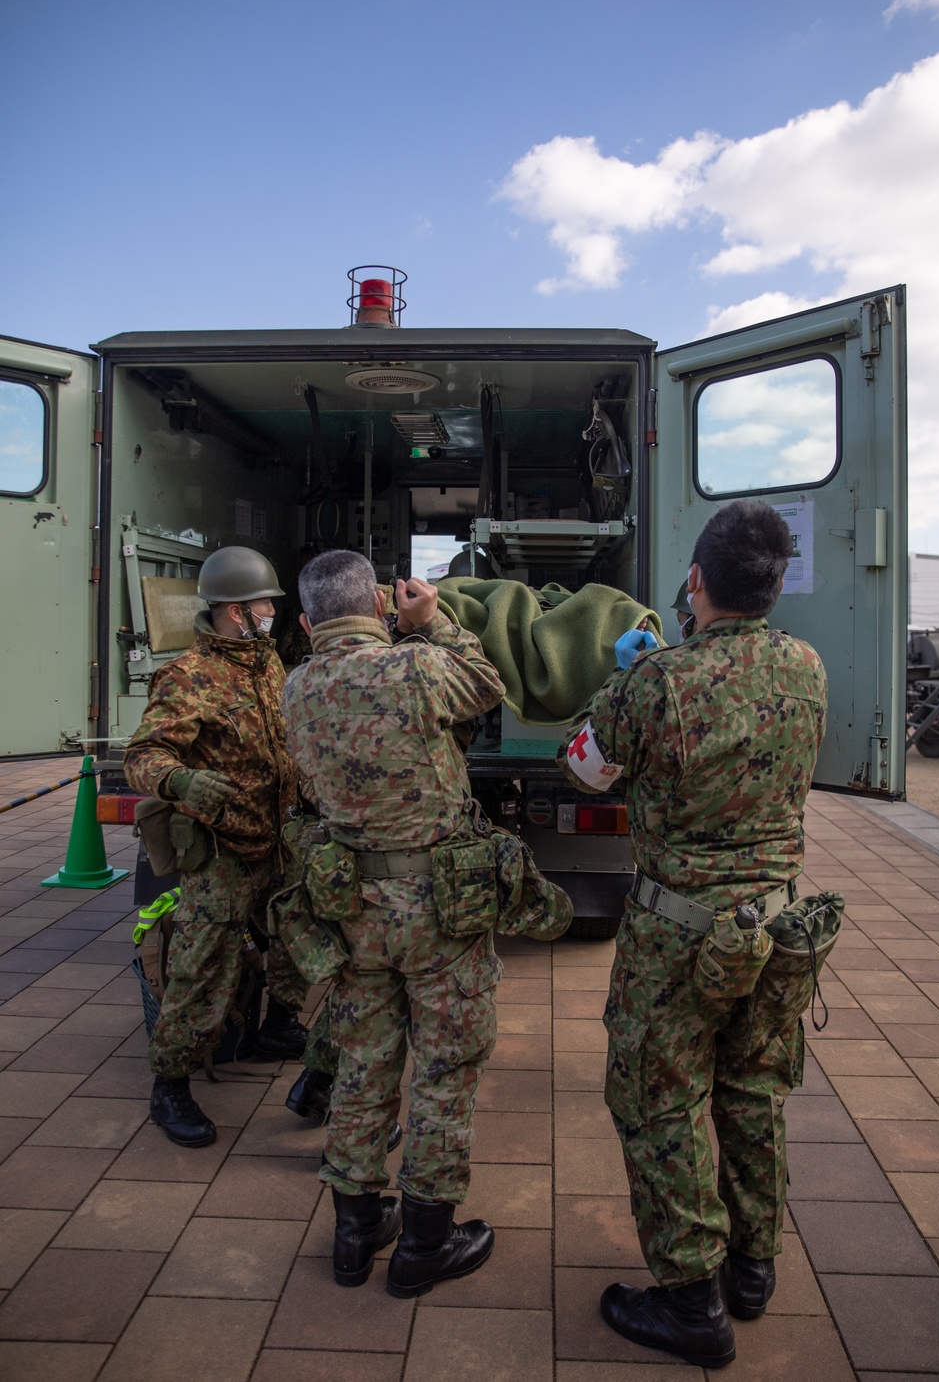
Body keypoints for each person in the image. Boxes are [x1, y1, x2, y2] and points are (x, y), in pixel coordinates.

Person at [558, 501, 828, 1369]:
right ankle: (752, 1270)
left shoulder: (658, 680)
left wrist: (623, 681)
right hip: (780, 926)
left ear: (696, 581)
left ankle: (690, 1303)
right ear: (776, 586)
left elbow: (585, 766)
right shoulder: (809, 668)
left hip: (679, 933)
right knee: (752, 1091)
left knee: (658, 1102)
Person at [282, 550, 507, 1293]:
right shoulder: (414, 670)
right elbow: (486, 684)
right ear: (379, 603)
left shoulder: (296, 689)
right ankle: (423, 1248)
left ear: (308, 622)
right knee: (443, 1071)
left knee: (362, 1065)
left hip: (354, 915)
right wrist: (432, 619)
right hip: (441, 913)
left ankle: (355, 1233)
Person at [125, 546, 311, 1149]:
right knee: (202, 966)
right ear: (235, 610)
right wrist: (180, 780)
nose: (271, 611)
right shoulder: (188, 676)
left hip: (277, 838)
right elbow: (143, 755)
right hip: (224, 848)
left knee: (295, 939)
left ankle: (277, 1030)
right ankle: (170, 1085)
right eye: (265, 603)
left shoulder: (266, 664)